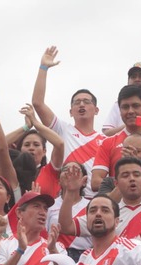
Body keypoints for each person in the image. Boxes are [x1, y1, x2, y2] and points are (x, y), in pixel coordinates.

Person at [32, 46, 106, 198]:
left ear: (96, 110)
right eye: (76, 102)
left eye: (86, 101)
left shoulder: (106, 141)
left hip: (96, 201)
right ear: (70, 111)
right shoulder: (63, 130)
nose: (81, 105)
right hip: (66, 198)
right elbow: (38, 103)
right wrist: (43, 67)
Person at [60, 157, 141, 246]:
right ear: (116, 183)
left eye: (136, 175)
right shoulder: (105, 213)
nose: (132, 179)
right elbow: (66, 227)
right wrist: (70, 192)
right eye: (125, 175)